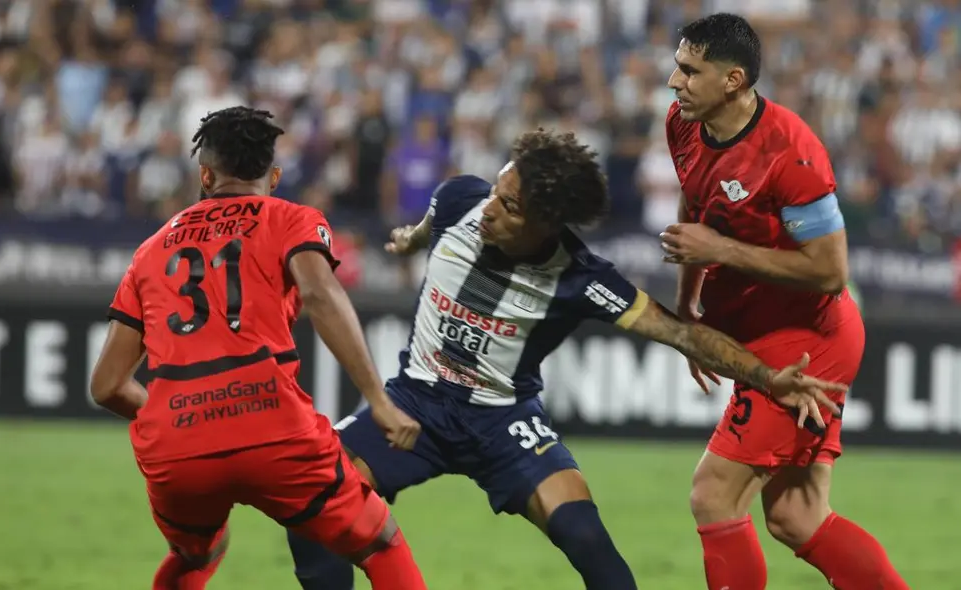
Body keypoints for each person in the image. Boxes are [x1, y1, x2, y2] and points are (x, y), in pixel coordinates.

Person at [285, 128, 847, 590]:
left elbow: (683, 335)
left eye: (508, 207)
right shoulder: (462, 199)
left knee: (585, 538)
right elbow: (433, 223)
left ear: (544, 224)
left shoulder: (580, 278)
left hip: (503, 420)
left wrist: (768, 376)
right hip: (416, 399)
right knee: (319, 500)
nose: (489, 213)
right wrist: (411, 239)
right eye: (496, 192)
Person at [88, 106, 427, 590]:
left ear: (205, 174)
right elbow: (319, 293)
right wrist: (378, 400)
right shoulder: (291, 219)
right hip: (272, 428)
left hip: (177, 445)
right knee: (380, 543)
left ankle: (194, 554)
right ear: (275, 175)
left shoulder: (151, 250)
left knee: (197, 553)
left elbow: (106, 386)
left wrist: (176, 410)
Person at [661, 13, 908, 590]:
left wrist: (719, 247)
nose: (675, 82)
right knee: (796, 517)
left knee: (713, 496)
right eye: (677, 66)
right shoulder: (682, 122)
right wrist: (687, 312)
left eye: (690, 71)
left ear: (733, 80)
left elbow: (829, 271)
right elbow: (694, 205)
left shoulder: (791, 155)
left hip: (809, 339)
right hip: (757, 333)